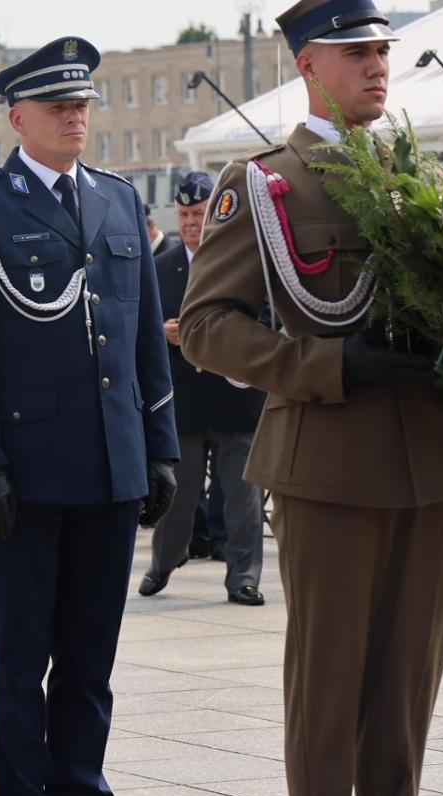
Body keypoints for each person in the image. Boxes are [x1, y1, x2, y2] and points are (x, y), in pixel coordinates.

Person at [180, 2, 443, 796]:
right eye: (356, 52)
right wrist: (329, 363)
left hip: (436, 471)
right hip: (333, 468)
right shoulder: (266, 182)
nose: (377, 65)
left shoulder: (418, 175)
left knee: (407, 695)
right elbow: (206, 328)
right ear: (308, 65)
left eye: (382, 50)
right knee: (329, 690)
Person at [0, 37, 178, 796]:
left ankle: (81, 789)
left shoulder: (118, 198)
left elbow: (144, 339)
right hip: (27, 469)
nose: (76, 116)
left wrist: (160, 447)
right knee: (20, 656)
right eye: (58, 106)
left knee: (89, 654)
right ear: (18, 117)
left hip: (110, 462)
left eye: (82, 105)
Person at [136, 172, 266, 606]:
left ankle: (244, 577)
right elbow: (136, 328)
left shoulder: (245, 261)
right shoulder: (159, 268)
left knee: (242, 495)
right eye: (185, 214)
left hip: (235, 397)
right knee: (178, 494)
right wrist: (162, 332)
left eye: (199, 213)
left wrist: (212, 335)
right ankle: (164, 562)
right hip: (182, 402)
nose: (192, 222)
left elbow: (266, 322)